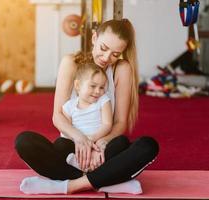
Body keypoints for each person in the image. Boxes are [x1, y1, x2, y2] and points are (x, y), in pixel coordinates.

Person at [15, 18, 159, 194]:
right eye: (103, 48)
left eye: (115, 54)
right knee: (25, 141)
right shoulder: (71, 62)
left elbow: (120, 122)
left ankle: (68, 185)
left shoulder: (122, 69)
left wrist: (100, 143)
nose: (106, 58)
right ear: (94, 38)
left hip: (103, 151)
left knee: (145, 145)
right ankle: (108, 181)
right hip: (71, 149)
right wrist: (80, 139)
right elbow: (58, 116)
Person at [61, 62, 112, 172]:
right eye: (93, 86)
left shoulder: (103, 100)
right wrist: (81, 143)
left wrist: (91, 140)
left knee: (114, 144)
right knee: (61, 144)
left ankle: (95, 163)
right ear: (78, 85)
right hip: (78, 144)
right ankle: (82, 165)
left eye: (102, 87)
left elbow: (107, 124)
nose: (98, 91)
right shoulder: (69, 106)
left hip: (98, 140)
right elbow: (66, 131)